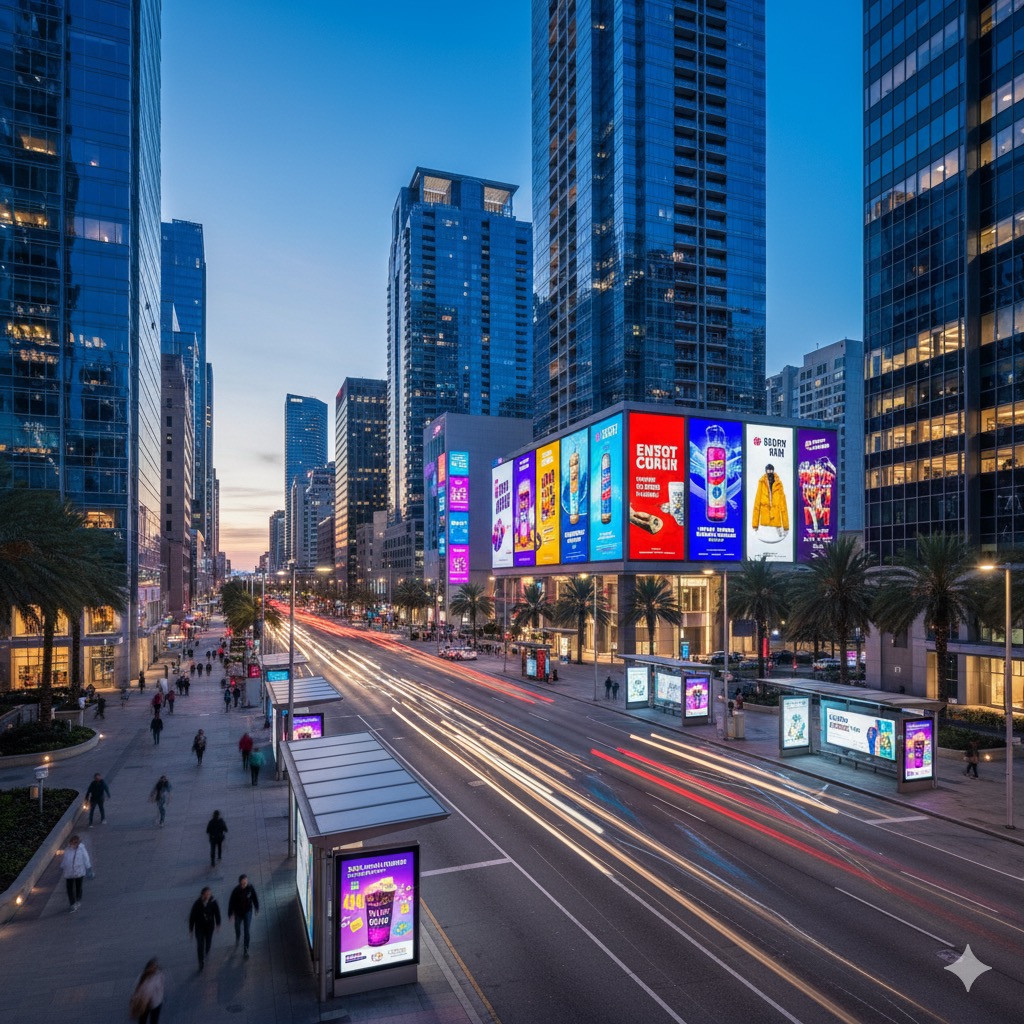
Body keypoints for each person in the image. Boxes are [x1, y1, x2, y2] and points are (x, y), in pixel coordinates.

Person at [188, 887, 221, 972]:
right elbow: (192, 916)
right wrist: (191, 929)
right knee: (200, 944)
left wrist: (218, 923)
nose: (208, 895)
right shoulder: (197, 903)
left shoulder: (213, 902)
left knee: (208, 942)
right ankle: (201, 961)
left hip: (209, 927)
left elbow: (217, 913)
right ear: (202, 894)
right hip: (199, 927)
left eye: (209, 894)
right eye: (206, 894)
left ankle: (207, 951)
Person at [227, 874, 260, 958]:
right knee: (237, 927)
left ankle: (246, 949)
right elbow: (231, 902)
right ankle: (238, 935)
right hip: (238, 913)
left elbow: (254, 898)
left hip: (247, 912)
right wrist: (230, 913)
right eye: (242, 883)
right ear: (240, 883)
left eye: (245, 883)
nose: (244, 885)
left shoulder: (250, 888)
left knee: (246, 930)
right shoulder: (236, 891)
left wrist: (256, 908)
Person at [60, 834, 91, 912]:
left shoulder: (81, 849)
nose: (72, 845)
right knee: (69, 889)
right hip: (69, 872)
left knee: (78, 887)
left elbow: (86, 858)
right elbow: (65, 859)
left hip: (79, 871)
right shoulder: (67, 849)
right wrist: (62, 866)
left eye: (74, 843)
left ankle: (78, 899)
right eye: (71, 843)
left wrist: (88, 867)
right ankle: (72, 903)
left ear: (77, 843)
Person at [129, 958, 164, 1024]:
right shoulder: (142, 976)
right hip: (144, 1003)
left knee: (154, 1020)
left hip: (155, 1003)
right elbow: (136, 988)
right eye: (151, 967)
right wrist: (134, 997)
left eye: (154, 967)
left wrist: (159, 999)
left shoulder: (159, 976)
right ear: (147, 968)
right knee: (142, 1019)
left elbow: (160, 989)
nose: (152, 969)